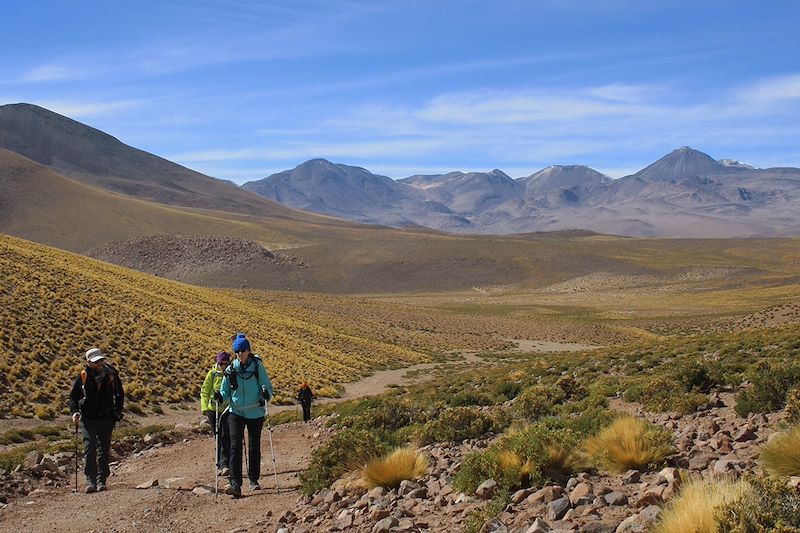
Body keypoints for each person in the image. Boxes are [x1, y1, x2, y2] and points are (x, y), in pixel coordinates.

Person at [216, 333, 274, 498]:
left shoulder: (257, 366)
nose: (240, 353)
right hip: (236, 412)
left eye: (243, 350)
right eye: (238, 351)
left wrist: (266, 395)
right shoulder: (231, 369)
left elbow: (269, 388)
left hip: (255, 411)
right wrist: (220, 397)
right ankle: (235, 484)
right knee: (235, 445)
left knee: (254, 445)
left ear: (248, 350)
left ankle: (254, 479)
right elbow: (225, 391)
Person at [68, 348, 124, 493]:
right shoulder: (83, 376)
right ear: (88, 362)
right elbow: (73, 397)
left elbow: (119, 394)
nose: (99, 364)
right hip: (88, 418)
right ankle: (90, 481)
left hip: (107, 418)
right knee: (89, 447)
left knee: (104, 449)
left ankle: (101, 480)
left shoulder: (111, 375)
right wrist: (74, 412)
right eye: (96, 362)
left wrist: (117, 412)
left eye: (100, 360)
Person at [200, 351, 231, 476]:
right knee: (218, 436)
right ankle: (219, 464)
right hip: (213, 409)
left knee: (226, 436)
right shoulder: (212, 374)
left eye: (225, 363)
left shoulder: (230, 373)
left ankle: (225, 464)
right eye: (221, 363)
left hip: (227, 409)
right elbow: (205, 391)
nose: (223, 366)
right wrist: (205, 409)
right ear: (217, 363)